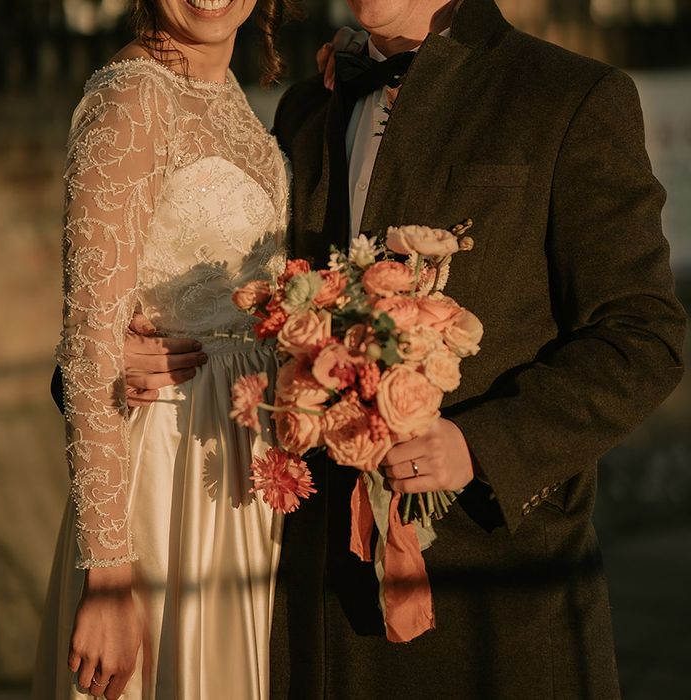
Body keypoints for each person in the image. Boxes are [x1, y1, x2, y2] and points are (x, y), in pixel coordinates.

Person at [118, 0, 686, 698]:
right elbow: (232, 295)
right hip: (314, 606)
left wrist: (481, 445)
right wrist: (113, 359)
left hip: (495, 611)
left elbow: (643, 334)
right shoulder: (305, 107)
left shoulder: (570, 96)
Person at [33, 1, 297, 698]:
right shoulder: (130, 97)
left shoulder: (229, 93)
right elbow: (90, 345)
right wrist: (112, 579)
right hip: (168, 468)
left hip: (244, 463)